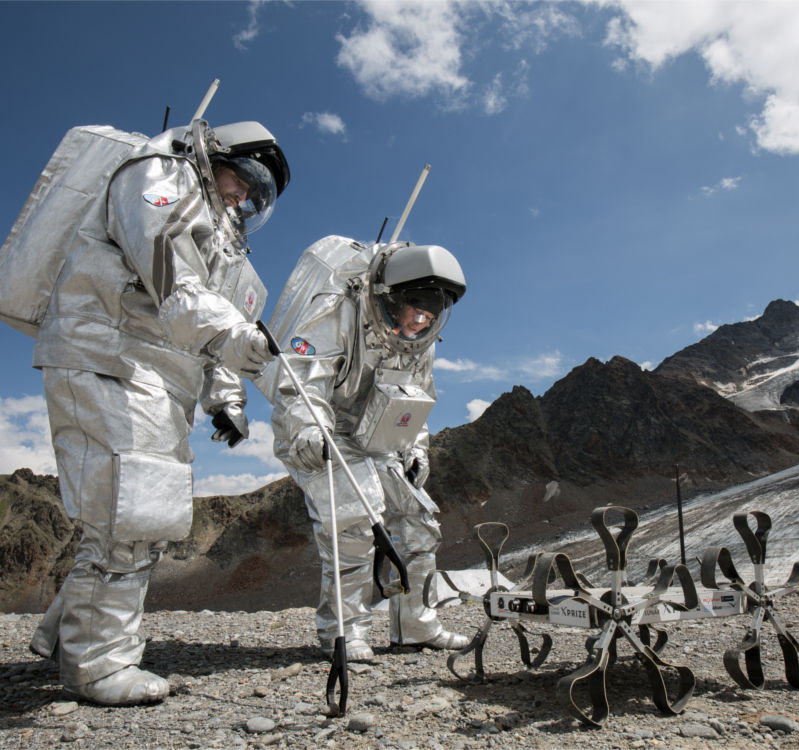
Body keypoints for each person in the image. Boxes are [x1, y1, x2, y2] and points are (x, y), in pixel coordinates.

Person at [24, 118, 290, 705]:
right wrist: (236, 339)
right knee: (133, 517)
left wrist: (227, 398)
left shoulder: (221, 241)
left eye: (254, 194)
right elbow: (174, 279)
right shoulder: (158, 177)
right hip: (108, 353)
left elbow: (212, 321)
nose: (242, 197)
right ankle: (98, 665)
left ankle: (64, 638)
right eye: (241, 180)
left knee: (134, 511)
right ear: (213, 156)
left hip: (156, 376)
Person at [266, 237, 469, 663]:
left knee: (418, 521)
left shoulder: (420, 344)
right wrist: (309, 428)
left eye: (430, 316)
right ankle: (345, 631)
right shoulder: (340, 311)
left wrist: (416, 450)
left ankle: (415, 625)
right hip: (322, 431)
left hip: (377, 439)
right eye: (416, 310)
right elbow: (304, 376)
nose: (421, 322)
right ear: (392, 298)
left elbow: (415, 400)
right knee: (355, 519)